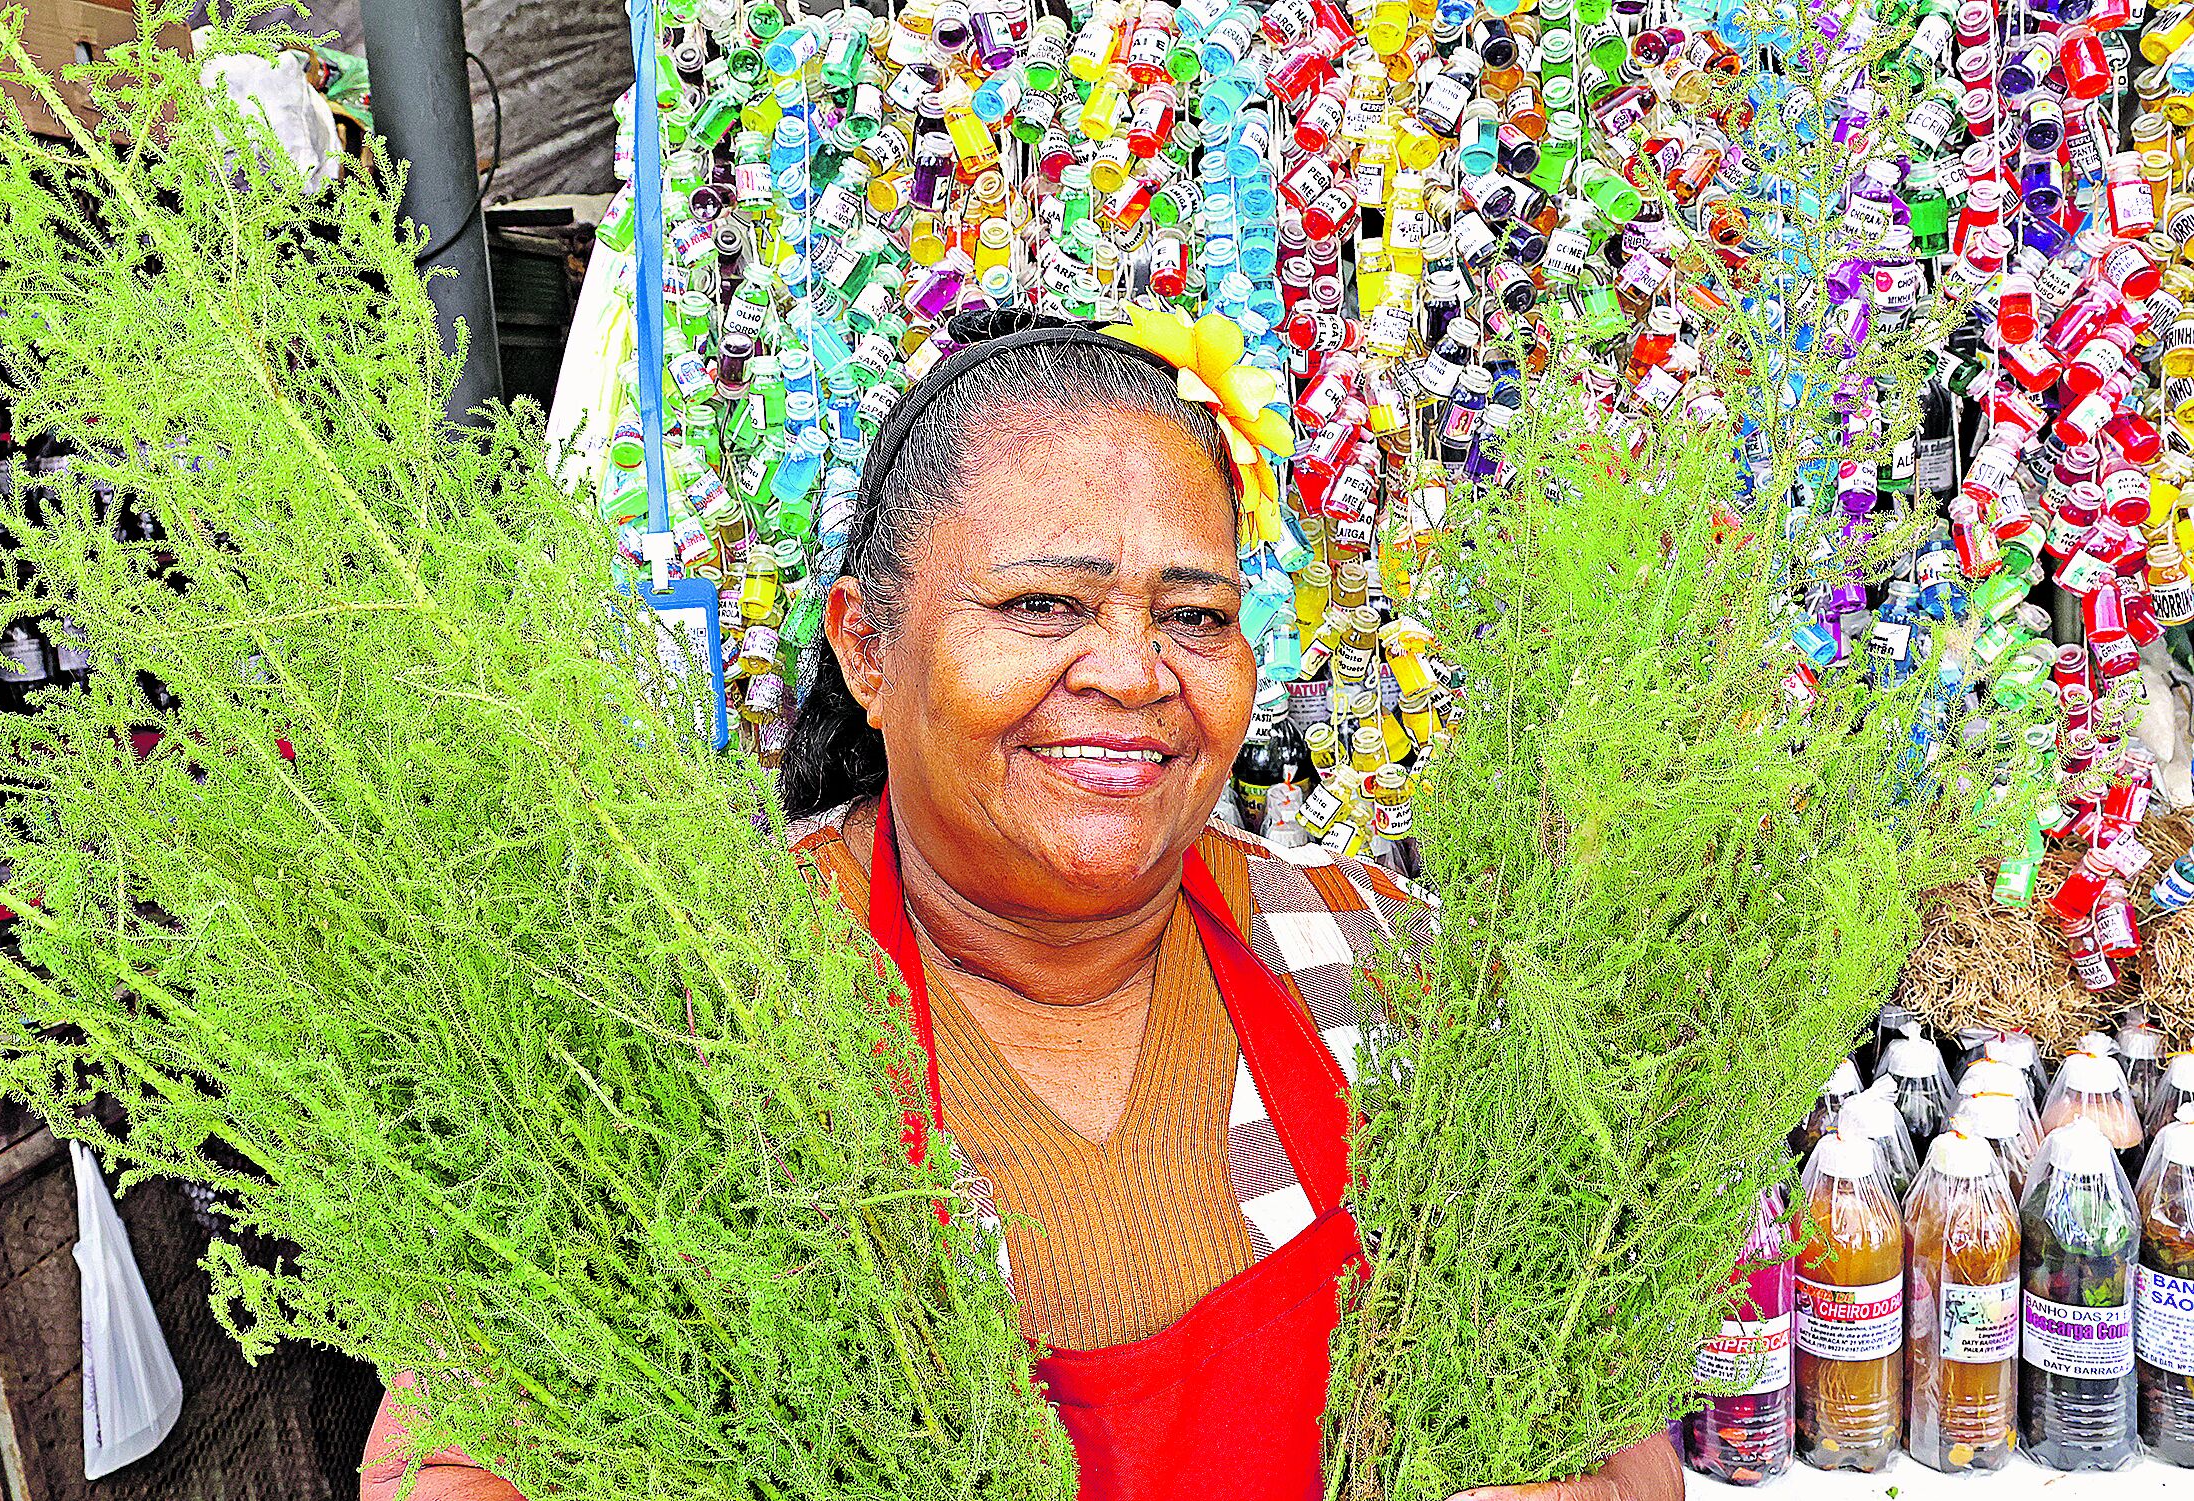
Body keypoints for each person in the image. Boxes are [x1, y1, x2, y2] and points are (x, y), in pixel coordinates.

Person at [360, 314, 1683, 1501]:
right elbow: (458, 1452)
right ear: (868, 647)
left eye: (1196, 612)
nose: (1130, 668)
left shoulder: (1390, 963)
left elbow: (1614, 1420)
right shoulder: (685, 1014)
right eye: (1042, 602)